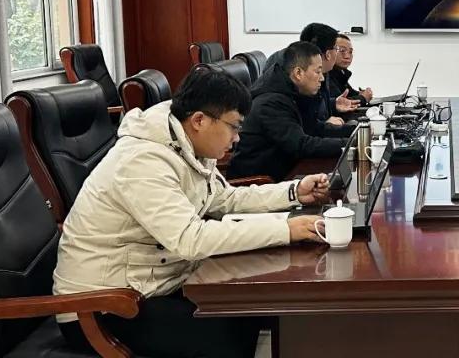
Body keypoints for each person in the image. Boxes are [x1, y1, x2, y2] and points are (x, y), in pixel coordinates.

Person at [53, 66, 330, 358]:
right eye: (234, 126)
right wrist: (286, 230)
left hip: (154, 283)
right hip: (101, 307)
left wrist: (293, 192)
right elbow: (190, 239)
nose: (237, 138)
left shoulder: (185, 144)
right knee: (228, 336)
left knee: (250, 308)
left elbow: (224, 199)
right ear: (199, 120)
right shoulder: (142, 161)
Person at [231, 41, 348, 181]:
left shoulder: (292, 91)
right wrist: (348, 145)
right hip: (261, 182)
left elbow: (312, 128)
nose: (322, 78)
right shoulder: (270, 103)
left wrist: (353, 133)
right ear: (298, 73)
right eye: (318, 72)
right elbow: (301, 145)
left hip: (287, 171)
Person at [264, 23, 359, 127]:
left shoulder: (317, 71)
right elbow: (305, 127)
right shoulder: (293, 79)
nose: (321, 78)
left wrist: (333, 104)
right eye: (337, 49)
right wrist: (325, 124)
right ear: (328, 54)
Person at [329, 33, 374, 105]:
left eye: (350, 52)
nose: (347, 56)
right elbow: (338, 103)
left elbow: (349, 93)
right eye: (342, 50)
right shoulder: (326, 74)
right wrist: (363, 98)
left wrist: (360, 94)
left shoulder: (341, 73)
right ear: (328, 52)